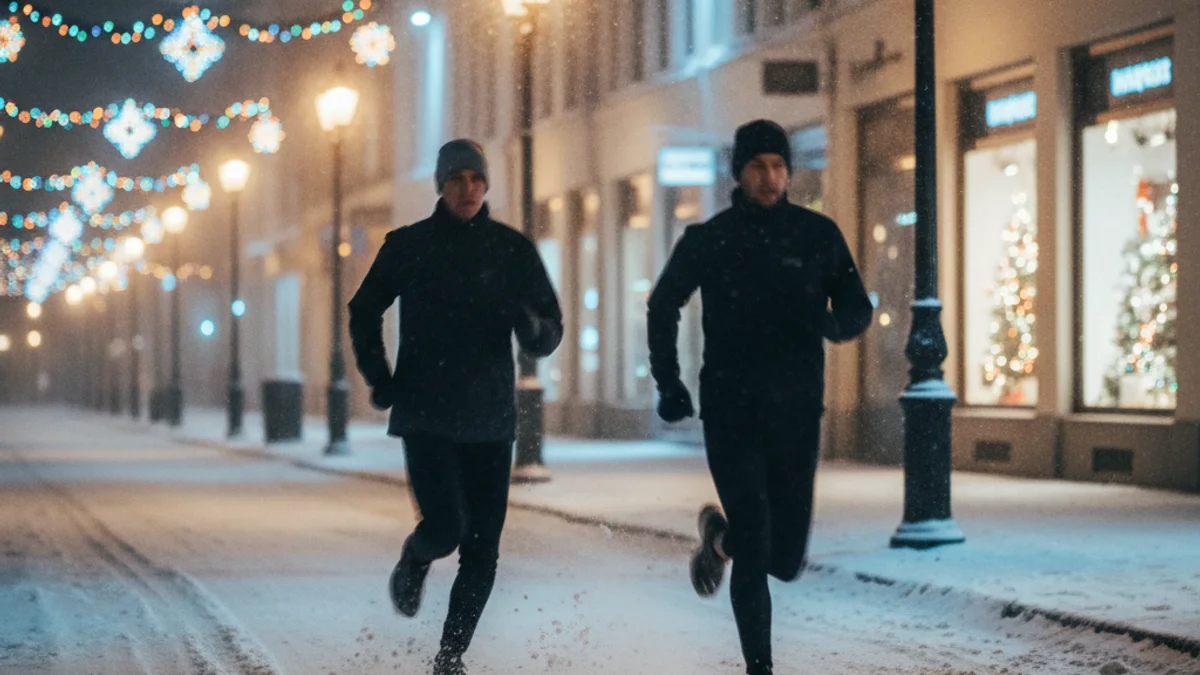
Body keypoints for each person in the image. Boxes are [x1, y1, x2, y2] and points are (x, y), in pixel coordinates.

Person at [647, 119, 874, 675]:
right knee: (756, 538)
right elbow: (663, 304)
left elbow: (857, 305)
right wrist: (669, 381)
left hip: (796, 410)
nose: (770, 177)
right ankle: (760, 667)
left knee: (787, 557)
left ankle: (717, 540)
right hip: (731, 408)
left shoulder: (817, 235)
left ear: (789, 172)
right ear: (739, 173)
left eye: (778, 166)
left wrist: (830, 323)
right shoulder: (711, 238)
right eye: (758, 167)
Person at [348, 139, 563, 675]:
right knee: (446, 527)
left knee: (483, 549)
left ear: (486, 185)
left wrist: (531, 328)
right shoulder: (410, 246)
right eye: (456, 180)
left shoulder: (511, 250)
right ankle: (417, 556)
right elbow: (364, 308)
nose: (467, 190)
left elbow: (549, 327)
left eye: (475, 180)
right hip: (427, 414)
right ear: (441, 186)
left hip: (491, 419)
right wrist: (380, 376)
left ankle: (450, 656)